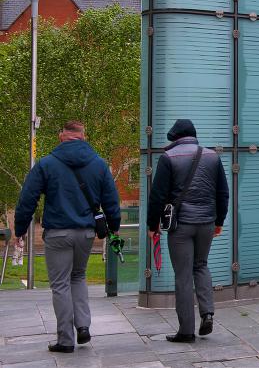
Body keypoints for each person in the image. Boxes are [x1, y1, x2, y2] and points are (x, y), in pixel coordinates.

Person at [14, 121, 121, 353]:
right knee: (79, 277)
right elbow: (111, 199)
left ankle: (65, 339)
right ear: (83, 136)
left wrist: (20, 229)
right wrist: (115, 225)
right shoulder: (99, 164)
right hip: (86, 233)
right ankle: (83, 326)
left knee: (60, 284)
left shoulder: (46, 164)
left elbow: (27, 199)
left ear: (61, 135)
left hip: (58, 233)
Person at [147, 119, 229, 343]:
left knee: (183, 275)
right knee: (201, 266)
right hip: (206, 223)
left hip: (181, 225)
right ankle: (208, 313)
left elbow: (157, 196)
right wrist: (219, 220)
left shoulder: (168, 158)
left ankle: (186, 330)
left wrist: (152, 225)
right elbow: (223, 192)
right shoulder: (212, 156)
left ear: (175, 137)